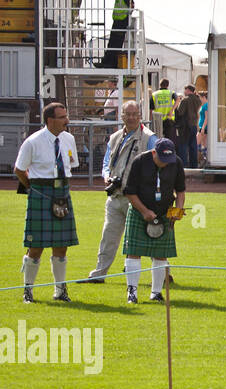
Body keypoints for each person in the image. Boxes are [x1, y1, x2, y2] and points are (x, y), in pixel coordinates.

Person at [15, 103, 79, 303]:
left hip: (62, 191)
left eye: (66, 116)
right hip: (40, 191)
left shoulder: (69, 139)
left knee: (61, 246)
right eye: (62, 117)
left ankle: (60, 291)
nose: (66, 121)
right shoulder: (32, 141)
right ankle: (28, 290)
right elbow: (19, 169)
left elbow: (71, 165)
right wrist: (32, 188)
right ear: (50, 120)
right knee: (36, 246)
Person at [87, 100, 157, 283]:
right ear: (122, 116)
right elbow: (106, 163)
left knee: (145, 237)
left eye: (135, 114)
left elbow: (158, 165)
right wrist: (106, 176)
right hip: (115, 196)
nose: (132, 117)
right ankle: (99, 274)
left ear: (140, 116)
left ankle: (162, 273)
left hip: (137, 198)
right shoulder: (115, 137)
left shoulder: (149, 138)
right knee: (108, 236)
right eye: (129, 114)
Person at [121, 138, 186, 303]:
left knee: (161, 254)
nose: (165, 164)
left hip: (164, 213)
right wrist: (144, 211)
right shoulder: (140, 162)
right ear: (154, 152)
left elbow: (180, 191)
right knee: (133, 252)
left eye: (168, 160)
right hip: (139, 211)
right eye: (162, 160)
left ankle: (156, 293)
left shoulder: (175, 163)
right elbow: (129, 192)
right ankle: (132, 293)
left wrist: (177, 210)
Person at [95, 0, 133, 69]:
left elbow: (132, 5)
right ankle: (106, 62)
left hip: (122, 22)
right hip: (117, 21)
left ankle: (112, 63)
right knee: (112, 42)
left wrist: (126, 17)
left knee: (116, 43)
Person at [173, 84, 201, 168]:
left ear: (188, 90)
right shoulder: (198, 100)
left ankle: (183, 165)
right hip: (194, 125)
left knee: (183, 146)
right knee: (193, 146)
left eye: (185, 90)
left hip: (185, 126)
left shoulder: (185, 100)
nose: (184, 92)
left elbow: (180, 112)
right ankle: (194, 165)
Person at [196, 91, 209, 166]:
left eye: (200, 98)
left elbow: (207, 117)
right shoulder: (203, 105)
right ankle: (205, 159)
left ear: (204, 97)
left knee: (196, 143)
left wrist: (203, 128)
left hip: (203, 127)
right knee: (204, 144)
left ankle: (202, 159)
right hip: (202, 127)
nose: (200, 99)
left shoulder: (206, 105)